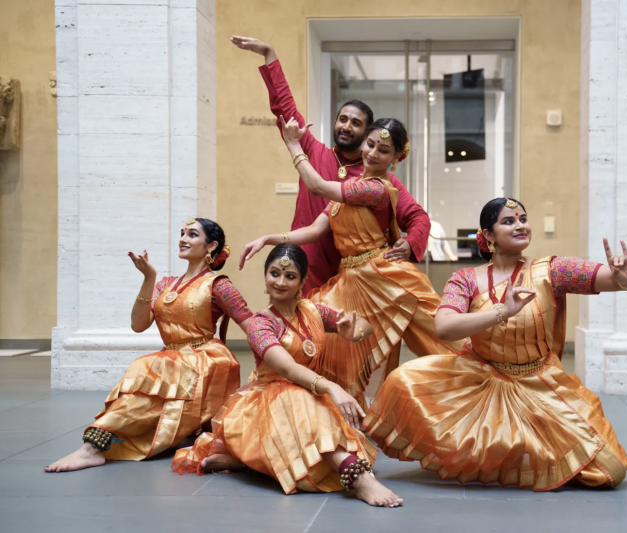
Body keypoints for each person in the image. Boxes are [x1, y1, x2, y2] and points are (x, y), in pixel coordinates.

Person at [364, 198, 627, 490]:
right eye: (509, 221)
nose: (520, 225)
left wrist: (626, 277)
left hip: (539, 382)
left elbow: (612, 280)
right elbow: (443, 326)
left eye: (523, 218)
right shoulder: (465, 279)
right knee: (403, 379)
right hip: (481, 377)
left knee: (609, 469)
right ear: (489, 236)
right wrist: (501, 312)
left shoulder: (553, 271)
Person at [240, 117, 460, 402]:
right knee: (324, 333)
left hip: (385, 277)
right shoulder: (349, 187)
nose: (372, 153)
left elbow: (317, 186)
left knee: (440, 337)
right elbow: (312, 231)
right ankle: (331, 405)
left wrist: (294, 144)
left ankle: (478, 379)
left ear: (395, 158)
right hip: (350, 280)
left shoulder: (377, 189)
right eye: (370, 144)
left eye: (383, 150)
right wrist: (269, 238)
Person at [172, 244, 403, 507]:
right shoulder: (261, 323)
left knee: (306, 410)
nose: (280, 282)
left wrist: (353, 332)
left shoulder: (314, 311)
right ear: (265, 275)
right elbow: (287, 369)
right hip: (264, 402)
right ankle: (360, 479)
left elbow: (366, 326)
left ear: (303, 281)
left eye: (290, 276)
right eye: (274, 273)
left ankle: (246, 461)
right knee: (300, 403)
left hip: (309, 392)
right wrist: (331, 388)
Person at [44, 219, 253, 473]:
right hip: (173, 359)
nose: (183, 239)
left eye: (192, 234)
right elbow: (138, 324)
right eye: (182, 233)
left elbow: (251, 325)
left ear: (211, 246)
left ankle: (92, 446)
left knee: (147, 374)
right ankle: (96, 442)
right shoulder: (165, 284)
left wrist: (273, 364)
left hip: (206, 360)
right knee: (144, 376)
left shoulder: (219, 285)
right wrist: (148, 277)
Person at [230, 35, 430, 296]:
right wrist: (270, 55)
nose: (347, 126)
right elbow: (284, 107)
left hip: (359, 276)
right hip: (307, 265)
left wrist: (409, 242)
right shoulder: (314, 151)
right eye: (342, 119)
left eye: (356, 123)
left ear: (367, 133)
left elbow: (418, 217)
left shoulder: (381, 181)